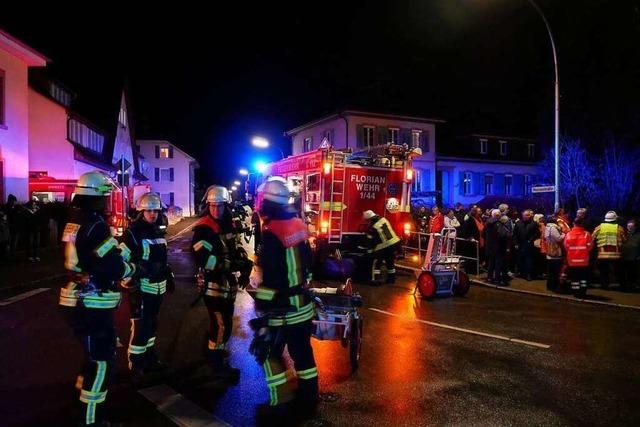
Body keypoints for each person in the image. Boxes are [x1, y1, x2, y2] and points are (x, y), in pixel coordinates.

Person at [58, 171, 137, 426]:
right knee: (103, 360)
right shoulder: (96, 225)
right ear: (97, 197)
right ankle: (91, 419)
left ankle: (79, 404)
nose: (107, 200)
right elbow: (112, 266)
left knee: (91, 356)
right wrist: (133, 270)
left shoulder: (74, 221)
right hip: (92, 301)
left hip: (73, 297)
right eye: (105, 195)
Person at [251, 179, 318, 421]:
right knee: (303, 354)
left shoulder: (271, 234)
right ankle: (309, 399)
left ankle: (280, 402)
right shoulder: (299, 224)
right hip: (303, 302)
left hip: (284, 308)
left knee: (268, 351)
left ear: (267, 202)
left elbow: (272, 278)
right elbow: (310, 262)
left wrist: (262, 305)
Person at [119, 192, 174, 381]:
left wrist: (168, 274)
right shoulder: (133, 233)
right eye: (149, 211)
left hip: (157, 289)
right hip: (141, 290)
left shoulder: (158, 231)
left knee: (151, 326)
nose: (153, 214)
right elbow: (121, 262)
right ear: (141, 212)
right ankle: (135, 365)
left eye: (156, 211)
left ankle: (149, 359)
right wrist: (131, 283)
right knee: (140, 328)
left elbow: (161, 259)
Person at [191, 185, 241, 380]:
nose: (216, 210)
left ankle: (214, 351)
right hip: (213, 284)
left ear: (225, 206)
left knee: (225, 323)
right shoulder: (204, 228)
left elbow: (234, 248)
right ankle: (216, 362)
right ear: (208, 206)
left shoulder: (229, 223)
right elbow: (200, 256)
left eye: (219, 206)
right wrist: (223, 265)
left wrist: (242, 263)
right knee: (220, 324)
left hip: (228, 284)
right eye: (212, 206)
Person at [364, 209, 400, 284]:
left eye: (367, 220)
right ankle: (391, 279)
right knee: (390, 262)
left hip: (385, 246)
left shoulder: (372, 227)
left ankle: (375, 280)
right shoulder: (383, 219)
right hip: (394, 243)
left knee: (376, 262)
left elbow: (369, 241)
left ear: (370, 219)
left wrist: (369, 253)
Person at [592, 211, 626, 290]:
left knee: (604, 272)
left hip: (602, 255)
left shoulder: (599, 227)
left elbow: (592, 237)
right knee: (619, 272)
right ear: (615, 219)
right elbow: (624, 239)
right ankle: (623, 286)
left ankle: (604, 286)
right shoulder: (619, 228)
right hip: (616, 255)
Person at [564, 218, 594, 297]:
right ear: (582, 224)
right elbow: (590, 247)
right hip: (584, 261)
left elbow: (566, 247)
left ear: (573, 223)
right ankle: (583, 292)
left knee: (574, 278)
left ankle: (576, 293)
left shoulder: (568, 234)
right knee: (583, 278)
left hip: (572, 261)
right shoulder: (587, 234)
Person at [484, 209, 511, 285]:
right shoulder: (498, 223)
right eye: (499, 214)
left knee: (491, 263)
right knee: (498, 263)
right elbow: (502, 235)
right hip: (498, 247)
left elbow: (483, 233)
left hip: (490, 246)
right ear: (497, 215)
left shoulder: (488, 222)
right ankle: (497, 278)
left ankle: (489, 277)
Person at [513, 210, 540, 281]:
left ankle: (529, 274)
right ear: (523, 215)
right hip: (520, 244)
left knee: (529, 260)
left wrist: (530, 240)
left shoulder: (534, 224)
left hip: (529, 245)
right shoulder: (518, 223)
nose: (528, 216)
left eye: (529, 215)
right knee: (520, 259)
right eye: (526, 215)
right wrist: (516, 243)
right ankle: (522, 273)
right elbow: (515, 234)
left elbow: (537, 233)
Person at [544, 216, 565, 291]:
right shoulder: (553, 228)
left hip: (550, 251)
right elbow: (558, 238)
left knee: (550, 271)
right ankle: (554, 287)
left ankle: (549, 286)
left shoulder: (547, 227)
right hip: (555, 252)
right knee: (555, 271)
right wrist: (563, 234)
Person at [621, 219, 640, 292]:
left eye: (632, 226)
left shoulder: (638, 235)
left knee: (633, 274)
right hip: (623, 258)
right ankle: (624, 287)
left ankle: (633, 286)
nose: (630, 228)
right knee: (624, 273)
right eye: (628, 226)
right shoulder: (623, 234)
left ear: (635, 227)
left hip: (634, 258)